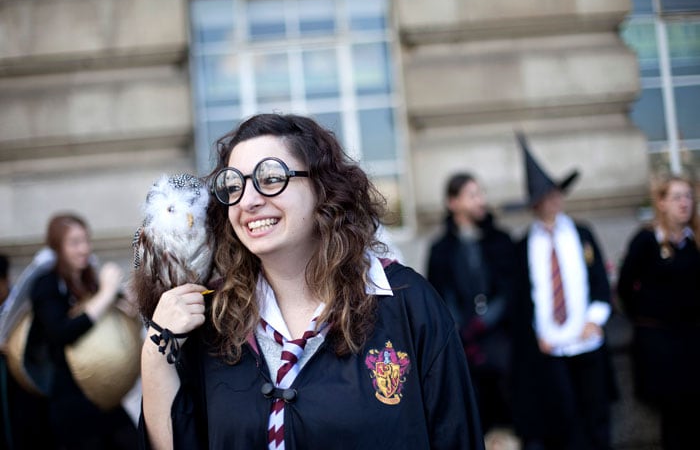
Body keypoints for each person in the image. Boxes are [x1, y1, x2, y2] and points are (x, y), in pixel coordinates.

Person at [138, 113, 484, 449]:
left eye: (270, 178)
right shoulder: (215, 319)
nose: (249, 200)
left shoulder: (407, 303)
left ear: (322, 186)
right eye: (234, 185)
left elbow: (457, 434)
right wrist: (157, 350)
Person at [510, 134, 616, 450]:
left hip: (586, 339)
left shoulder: (581, 234)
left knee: (596, 415)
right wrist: (536, 334)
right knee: (563, 421)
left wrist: (595, 318)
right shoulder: (525, 245)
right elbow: (523, 299)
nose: (553, 202)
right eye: (545, 197)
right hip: (550, 346)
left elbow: (599, 281)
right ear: (535, 205)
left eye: (556, 194)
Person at [28, 214, 138, 449]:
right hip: (71, 401)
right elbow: (61, 332)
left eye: (86, 240)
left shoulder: (90, 280)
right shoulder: (46, 284)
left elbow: (124, 313)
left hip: (104, 395)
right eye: (75, 243)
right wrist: (105, 294)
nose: (85, 249)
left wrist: (128, 299)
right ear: (58, 247)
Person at [427, 173, 515, 434]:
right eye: (472, 195)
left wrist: (484, 321)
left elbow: (509, 289)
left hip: (500, 342)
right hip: (462, 346)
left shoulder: (500, 240)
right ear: (453, 202)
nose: (481, 201)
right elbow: (438, 293)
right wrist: (460, 329)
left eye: (481, 194)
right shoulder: (441, 248)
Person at [617, 176, 700, 450]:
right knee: (673, 415)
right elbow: (625, 286)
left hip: (692, 340)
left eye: (688, 196)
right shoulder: (647, 240)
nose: (684, 203)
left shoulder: (694, 242)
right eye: (677, 197)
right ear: (662, 202)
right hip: (660, 343)